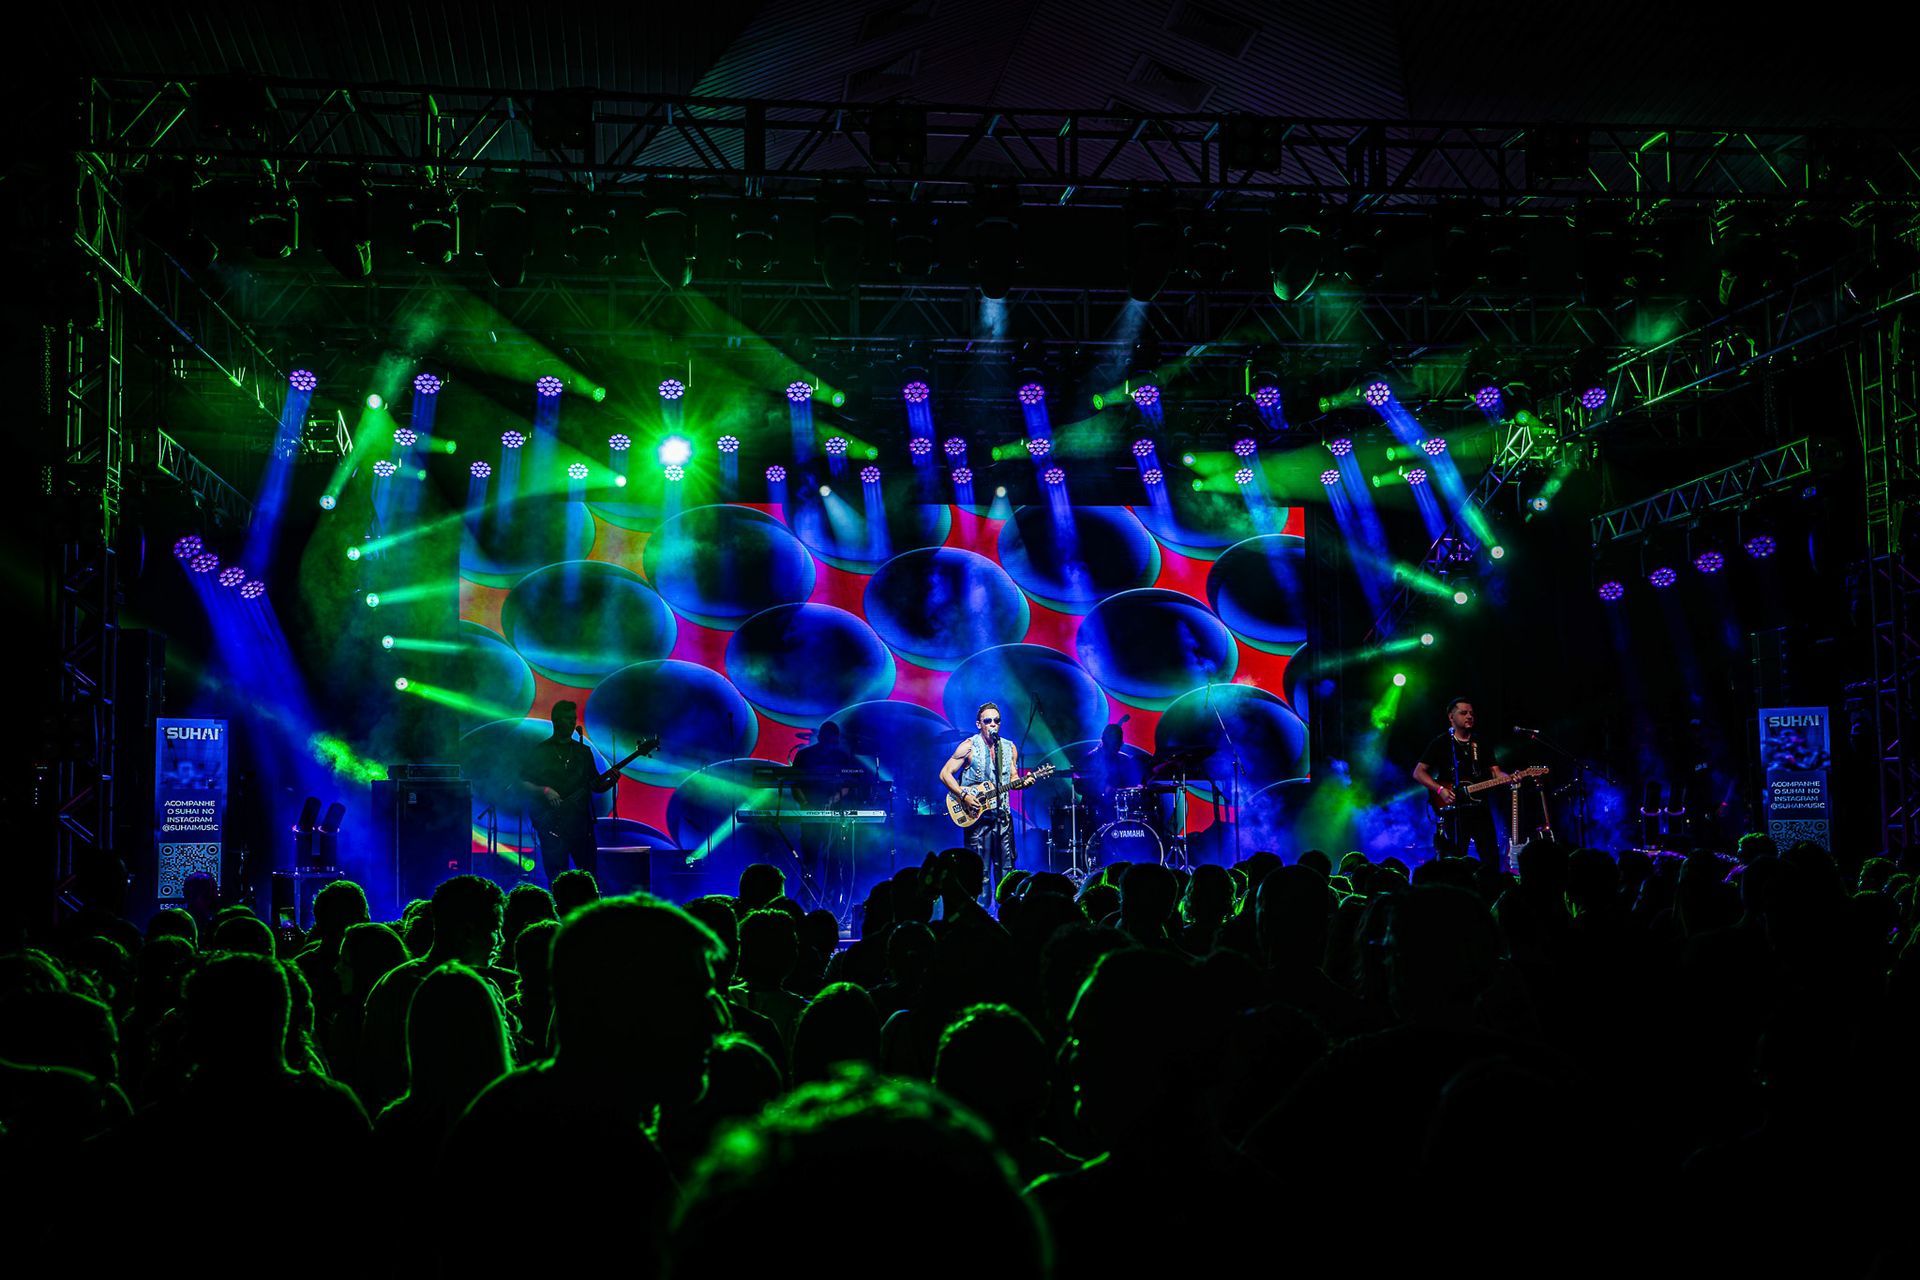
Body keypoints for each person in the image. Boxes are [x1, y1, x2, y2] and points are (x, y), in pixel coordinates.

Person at [519, 700, 622, 882]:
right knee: (557, 876)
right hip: (552, 825)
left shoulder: (583, 752)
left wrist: (610, 782)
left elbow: (595, 785)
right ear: (556, 720)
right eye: (567, 718)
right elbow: (521, 782)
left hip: (580, 824)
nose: (572, 722)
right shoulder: (540, 752)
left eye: (573, 718)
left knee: (588, 874)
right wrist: (545, 790)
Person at [1413, 697, 1510, 868]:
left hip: (1480, 808)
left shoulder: (1481, 743)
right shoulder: (1441, 742)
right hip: (1454, 811)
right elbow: (1418, 772)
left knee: (1490, 857)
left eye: (1471, 713)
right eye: (1463, 713)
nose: (1469, 716)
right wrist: (1440, 789)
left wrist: (1508, 777)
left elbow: (1496, 773)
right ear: (1451, 717)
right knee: (1455, 860)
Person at [790, 721, 873, 912]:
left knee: (834, 861)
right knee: (809, 859)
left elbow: (849, 784)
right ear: (820, 738)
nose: (829, 743)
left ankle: (831, 905)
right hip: (810, 813)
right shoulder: (804, 755)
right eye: (826, 739)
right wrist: (805, 805)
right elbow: (794, 783)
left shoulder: (843, 757)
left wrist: (834, 799)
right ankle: (807, 904)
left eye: (832, 740)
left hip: (834, 816)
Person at [940, 702, 1022, 894]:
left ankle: (1006, 914)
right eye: (988, 720)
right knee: (979, 872)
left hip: (1003, 817)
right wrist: (964, 795)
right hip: (977, 820)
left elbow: (1013, 778)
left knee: (1007, 869)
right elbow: (945, 774)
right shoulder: (968, 746)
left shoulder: (1009, 748)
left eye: (996, 720)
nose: (993, 724)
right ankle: (980, 913)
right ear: (979, 724)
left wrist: (1024, 781)